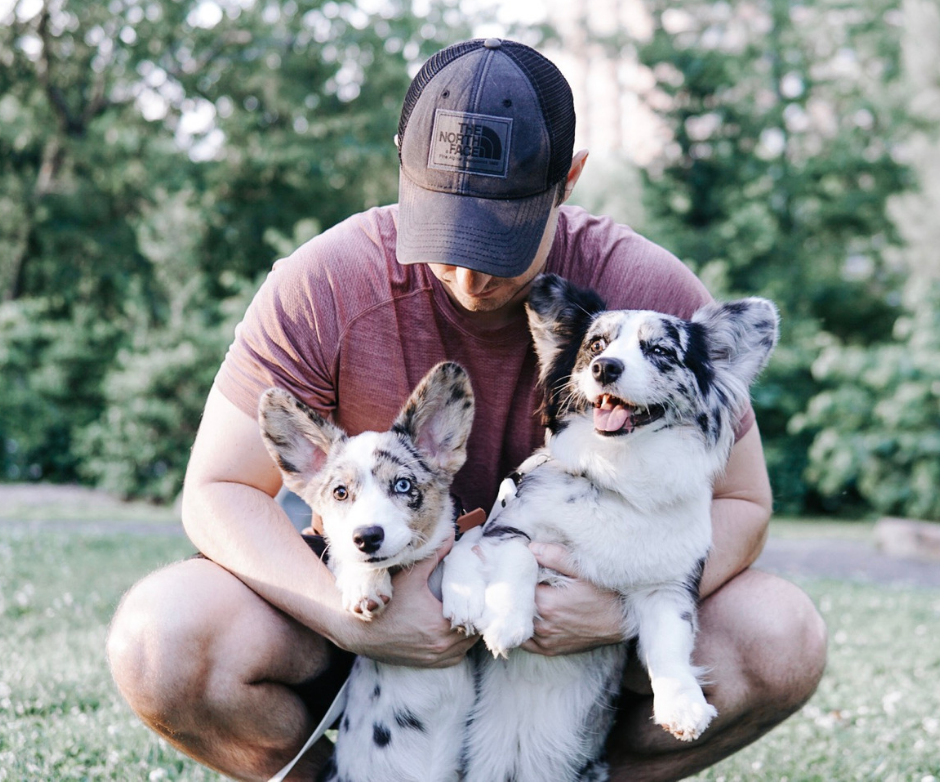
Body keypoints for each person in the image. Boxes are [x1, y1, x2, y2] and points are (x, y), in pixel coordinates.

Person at [107, 38, 827, 782]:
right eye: (443, 230)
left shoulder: (641, 293)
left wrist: (613, 615)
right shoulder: (326, 281)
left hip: (573, 642)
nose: (466, 270)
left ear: (567, 181)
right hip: (368, 606)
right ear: (400, 162)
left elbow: (743, 499)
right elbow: (218, 490)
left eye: (501, 237)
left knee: (780, 637)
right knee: (161, 640)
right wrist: (357, 619)